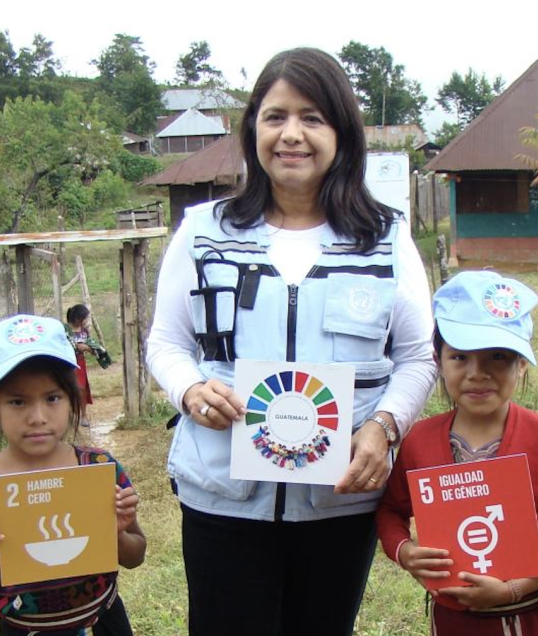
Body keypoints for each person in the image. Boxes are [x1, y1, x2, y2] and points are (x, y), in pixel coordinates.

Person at [145, 47, 437, 636]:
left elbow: (416, 356)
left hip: (337, 499)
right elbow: (166, 343)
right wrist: (190, 389)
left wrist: (384, 428)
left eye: (312, 117)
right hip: (223, 492)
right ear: (253, 127)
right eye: (275, 116)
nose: (291, 134)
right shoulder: (205, 232)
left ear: (341, 133)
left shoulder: (384, 239)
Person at [376, 271, 538, 635]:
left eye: (498, 356)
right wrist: (404, 551)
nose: (477, 373)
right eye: (460, 357)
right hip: (451, 620)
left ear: (522, 362)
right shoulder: (419, 441)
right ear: (438, 360)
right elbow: (390, 510)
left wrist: (515, 588)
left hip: (530, 617)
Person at [0, 314, 147, 635]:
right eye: (17, 401)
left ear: (72, 398)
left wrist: (118, 533)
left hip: (103, 623)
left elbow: (135, 555)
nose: (37, 417)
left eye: (52, 398)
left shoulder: (99, 470)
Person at [66, 304, 111, 426]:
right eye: (84, 318)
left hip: (80, 363)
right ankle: (69, 415)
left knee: (82, 389)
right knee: (67, 389)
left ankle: (83, 415)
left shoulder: (84, 332)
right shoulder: (65, 330)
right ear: (77, 318)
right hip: (67, 364)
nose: (85, 321)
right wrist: (74, 347)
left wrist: (86, 348)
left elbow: (92, 347)